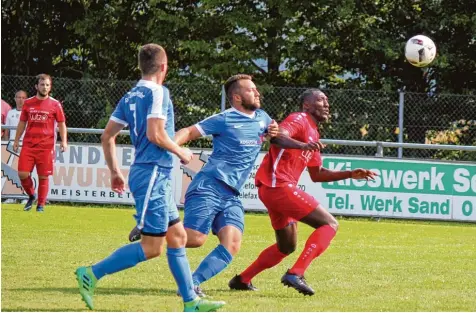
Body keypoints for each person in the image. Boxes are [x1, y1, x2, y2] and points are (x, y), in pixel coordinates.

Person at [74, 44, 225, 312]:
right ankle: (91, 273)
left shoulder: (130, 95)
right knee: (152, 247)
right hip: (154, 173)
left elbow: (107, 136)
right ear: (164, 67)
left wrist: (115, 172)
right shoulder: (158, 92)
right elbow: (156, 134)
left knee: (177, 236)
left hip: (153, 174)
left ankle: (191, 302)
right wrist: (181, 151)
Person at [159, 74, 320, 297]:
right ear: (236, 97)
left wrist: (276, 132)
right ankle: (153, 228)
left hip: (232, 195)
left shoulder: (263, 117)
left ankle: (191, 284)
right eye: (250, 90)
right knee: (195, 240)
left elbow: (275, 134)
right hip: (210, 185)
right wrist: (173, 146)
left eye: (256, 89)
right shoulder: (224, 118)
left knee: (232, 243)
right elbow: (188, 131)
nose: (257, 93)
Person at [228, 89, 377, 295]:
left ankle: (242, 280)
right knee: (329, 224)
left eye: (326, 100)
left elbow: (317, 174)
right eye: (321, 100)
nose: (326, 104)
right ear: (306, 105)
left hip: (274, 189)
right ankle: (296, 273)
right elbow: (278, 136)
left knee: (286, 246)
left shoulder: (314, 133)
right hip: (278, 185)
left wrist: (350, 173)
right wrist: (304, 144)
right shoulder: (299, 118)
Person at [13, 74, 68, 212]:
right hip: (29, 145)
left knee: (43, 176)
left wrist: (64, 141)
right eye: (42, 84)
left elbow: (62, 124)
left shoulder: (55, 104)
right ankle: (32, 195)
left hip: (46, 146)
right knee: (22, 174)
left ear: (50, 87)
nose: (45, 87)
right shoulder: (28, 103)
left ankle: (41, 205)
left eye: (47, 85)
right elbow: (22, 122)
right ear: (36, 86)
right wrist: (16, 139)